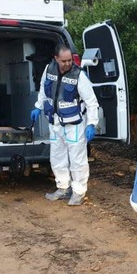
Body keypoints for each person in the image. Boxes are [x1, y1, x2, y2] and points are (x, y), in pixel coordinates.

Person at [30, 44, 99, 206]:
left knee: (77, 159)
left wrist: (92, 124)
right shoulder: (49, 70)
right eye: (64, 61)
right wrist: (38, 107)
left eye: (69, 60)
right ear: (56, 58)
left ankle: (79, 191)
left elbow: (92, 102)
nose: (67, 64)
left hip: (74, 124)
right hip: (55, 122)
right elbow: (43, 90)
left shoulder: (78, 76)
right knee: (57, 157)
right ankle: (63, 187)